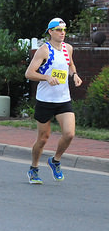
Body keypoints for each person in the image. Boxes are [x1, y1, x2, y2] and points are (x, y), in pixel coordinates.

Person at [24, 18, 82, 184]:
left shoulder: (68, 48)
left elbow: (70, 64)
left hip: (63, 100)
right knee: (43, 138)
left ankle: (55, 160)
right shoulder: (44, 50)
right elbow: (29, 73)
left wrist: (75, 74)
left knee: (69, 134)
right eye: (58, 29)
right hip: (45, 101)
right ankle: (34, 168)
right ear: (50, 31)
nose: (62, 32)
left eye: (64, 29)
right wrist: (46, 77)